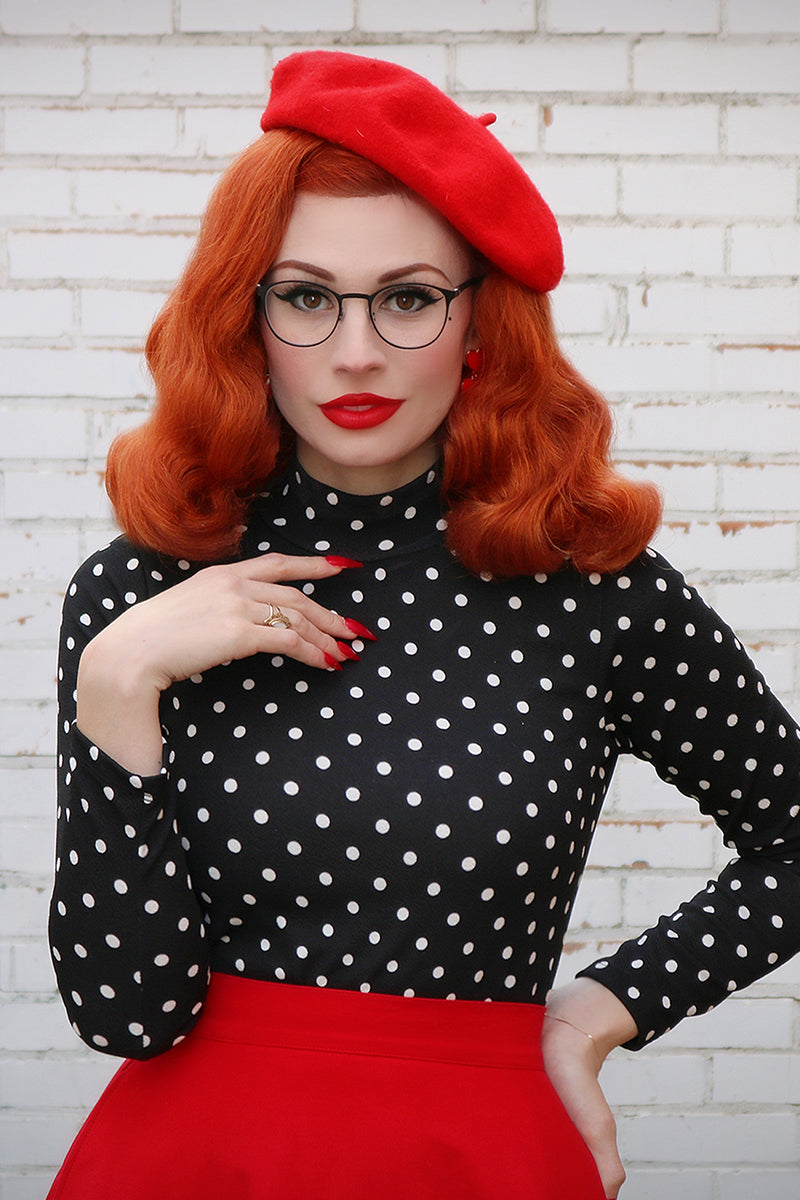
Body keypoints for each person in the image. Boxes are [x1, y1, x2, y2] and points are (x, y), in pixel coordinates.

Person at [47, 51, 800, 1200]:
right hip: (191, 1159)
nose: (356, 353)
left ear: (477, 322)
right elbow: (127, 1015)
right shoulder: (140, 594)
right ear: (243, 320)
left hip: (483, 1155)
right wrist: (118, 683)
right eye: (305, 296)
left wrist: (600, 1013)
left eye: (407, 298)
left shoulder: (593, 592)